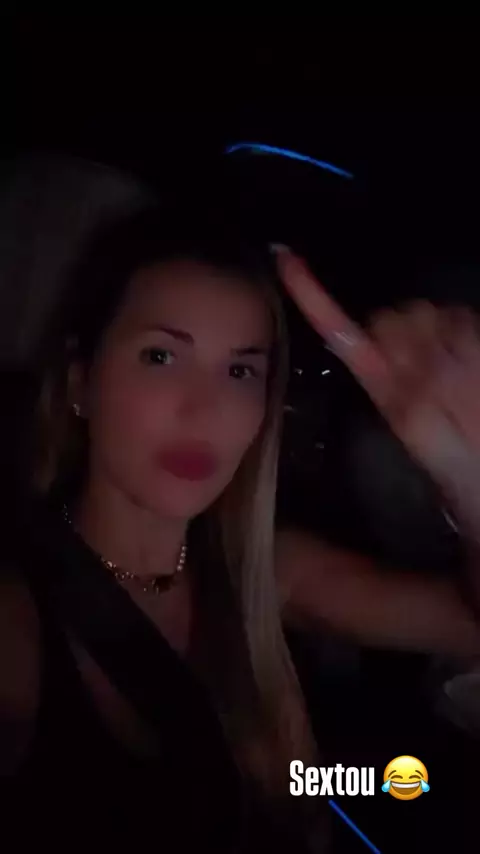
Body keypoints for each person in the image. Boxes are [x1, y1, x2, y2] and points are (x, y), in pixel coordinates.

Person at [1, 204, 480, 852]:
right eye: (161, 356)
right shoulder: (18, 620)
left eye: (239, 371)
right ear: (80, 381)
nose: (207, 409)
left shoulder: (266, 573)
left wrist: (472, 490)